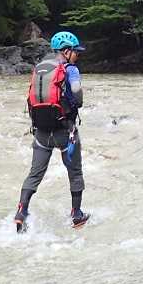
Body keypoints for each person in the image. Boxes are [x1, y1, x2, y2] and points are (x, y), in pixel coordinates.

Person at [12, 30, 89, 233]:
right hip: (65, 131)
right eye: (76, 52)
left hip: (41, 132)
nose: (77, 56)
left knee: (34, 174)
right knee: (75, 173)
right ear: (66, 51)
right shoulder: (71, 69)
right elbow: (78, 97)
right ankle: (77, 215)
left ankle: (21, 213)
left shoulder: (40, 69)